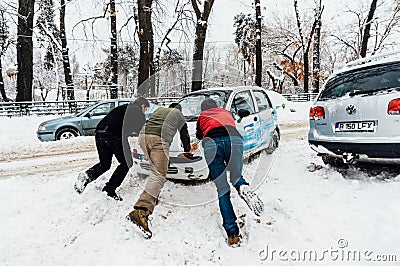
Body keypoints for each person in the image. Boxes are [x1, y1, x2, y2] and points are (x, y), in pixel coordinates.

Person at [194, 98, 264, 247]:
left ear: (203, 109)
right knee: (236, 176)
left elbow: (200, 135)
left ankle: (232, 233)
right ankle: (242, 186)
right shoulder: (225, 112)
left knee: (222, 188)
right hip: (234, 140)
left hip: (213, 144)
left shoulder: (202, 117)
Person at [126, 103, 195, 239]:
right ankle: (141, 211)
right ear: (179, 110)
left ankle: (152, 197)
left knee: (155, 170)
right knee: (158, 175)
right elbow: (184, 133)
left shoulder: (159, 111)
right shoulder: (178, 114)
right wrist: (187, 149)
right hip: (159, 140)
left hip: (143, 137)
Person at [74, 97, 150, 201]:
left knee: (105, 164)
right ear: (142, 106)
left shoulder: (124, 107)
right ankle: (109, 189)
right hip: (113, 135)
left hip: (99, 133)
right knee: (127, 162)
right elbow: (142, 130)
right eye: (146, 109)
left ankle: (86, 175)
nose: (145, 112)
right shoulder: (138, 112)